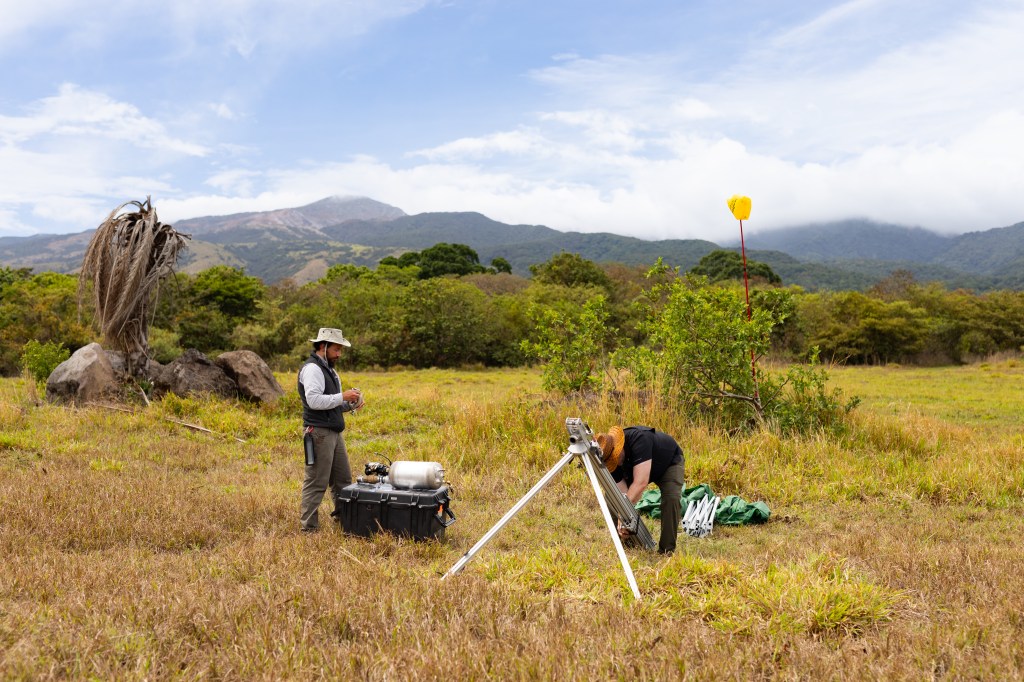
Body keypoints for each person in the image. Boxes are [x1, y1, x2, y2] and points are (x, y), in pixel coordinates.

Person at [298, 327, 364, 532]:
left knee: (343, 480)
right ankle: (309, 528)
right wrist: (343, 396)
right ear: (322, 346)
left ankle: (345, 521)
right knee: (317, 481)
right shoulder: (312, 369)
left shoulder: (330, 370)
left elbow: (332, 403)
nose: (339, 354)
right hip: (318, 432)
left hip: (333, 432)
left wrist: (352, 403)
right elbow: (314, 400)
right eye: (336, 349)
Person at [596, 425, 685, 554]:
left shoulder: (640, 440)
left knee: (671, 498)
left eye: (615, 458)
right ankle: (626, 542)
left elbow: (640, 483)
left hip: (668, 462)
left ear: (620, 448)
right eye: (611, 461)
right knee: (611, 497)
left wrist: (623, 515)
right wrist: (623, 520)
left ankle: (666, 550)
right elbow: (622, 494)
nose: (615, 463)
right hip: (638, 468)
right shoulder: (609, 459)